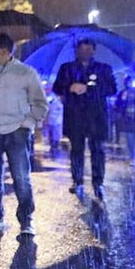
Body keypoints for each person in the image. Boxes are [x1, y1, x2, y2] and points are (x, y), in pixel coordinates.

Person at [0, 33, 48, 234]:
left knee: (21, 177)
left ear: (4, 51)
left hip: (16, 131)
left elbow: (40, 104)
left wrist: (27, 124)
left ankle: (26, 219)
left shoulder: (26, 73)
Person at [52, 39, 117, 200]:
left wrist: (89, 88)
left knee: (97, 151)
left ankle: (98, 183)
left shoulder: (103, 69)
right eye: (81, 49)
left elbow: (111, 89)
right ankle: (77, 181)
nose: (85, 52)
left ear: (94, 50)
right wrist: (69, 87)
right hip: (75, 116)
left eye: (88, 49)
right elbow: (57, 87)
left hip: (96, 116)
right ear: (76, 51)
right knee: (76, 151)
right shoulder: (67, 68)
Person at [43, 88, 64, 156]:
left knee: (56, 133)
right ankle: (53, 146)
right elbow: (48, 107)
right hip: (52, 119)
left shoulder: (55, 98)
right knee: (52, 133)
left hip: (57, 119)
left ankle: (55, 145)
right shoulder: (51, 97)